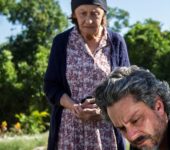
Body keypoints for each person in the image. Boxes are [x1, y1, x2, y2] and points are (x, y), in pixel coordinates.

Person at [43, 0, 130, 149]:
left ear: (103, 14)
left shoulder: (115, 42)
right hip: (69, 131)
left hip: (106, 130)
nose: (89, 20)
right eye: (83, 13)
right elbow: (51, 86)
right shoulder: (61, 42)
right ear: (74, 14)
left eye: (95, 13)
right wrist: (74, 106)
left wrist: (103, 110)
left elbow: (127, 86)